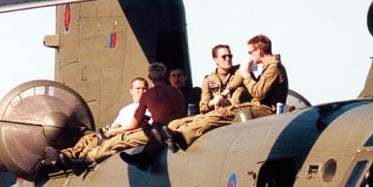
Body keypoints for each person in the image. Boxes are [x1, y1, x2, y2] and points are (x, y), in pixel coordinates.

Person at [122, 35, 287, 169]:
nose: (249, 56)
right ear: (215, 60)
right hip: (243, 108)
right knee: (184, 121)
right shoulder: (210, 80)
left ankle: (181, 137)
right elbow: (211, 100)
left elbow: (258, 92)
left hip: (262, 109)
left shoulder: (272, 67)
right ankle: (155, 146)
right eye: (224, 56)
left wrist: (247, 75)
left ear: (259, 51)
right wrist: (223, 94)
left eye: (251, 52)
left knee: (219, 115)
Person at [62, 63, 184, 172]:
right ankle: (71, 156)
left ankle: (85, 162)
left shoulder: (148, 95)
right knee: (91, 138)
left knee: (117, 141)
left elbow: (134, 124)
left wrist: (112, 132)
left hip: (157, 131)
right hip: (177, 127)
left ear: (150, 77)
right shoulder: (177, 92)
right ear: (166, 76)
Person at [59, 77, 150, 162]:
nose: (141, 91)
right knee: (89, 138)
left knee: (108, 141)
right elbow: (115, 125)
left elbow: (138, 126)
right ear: (131, 91)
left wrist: (113, 131)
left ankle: (82, 159)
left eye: (144, 89)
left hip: (130, 133)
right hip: (117, 131)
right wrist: (108, 130)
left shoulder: (149, 107)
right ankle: (68, 154)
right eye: (138, 89)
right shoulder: (125, 110)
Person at [198, 44, 248, 114]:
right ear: (216, 60)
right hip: (218, 115)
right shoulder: (208, 80)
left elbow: (238, 80)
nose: (228, 59)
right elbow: (203, 107)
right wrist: (214, 102)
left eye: (230, 56)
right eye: (224, 57)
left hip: (240, 113)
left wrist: (222, 97)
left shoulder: (240, 71)